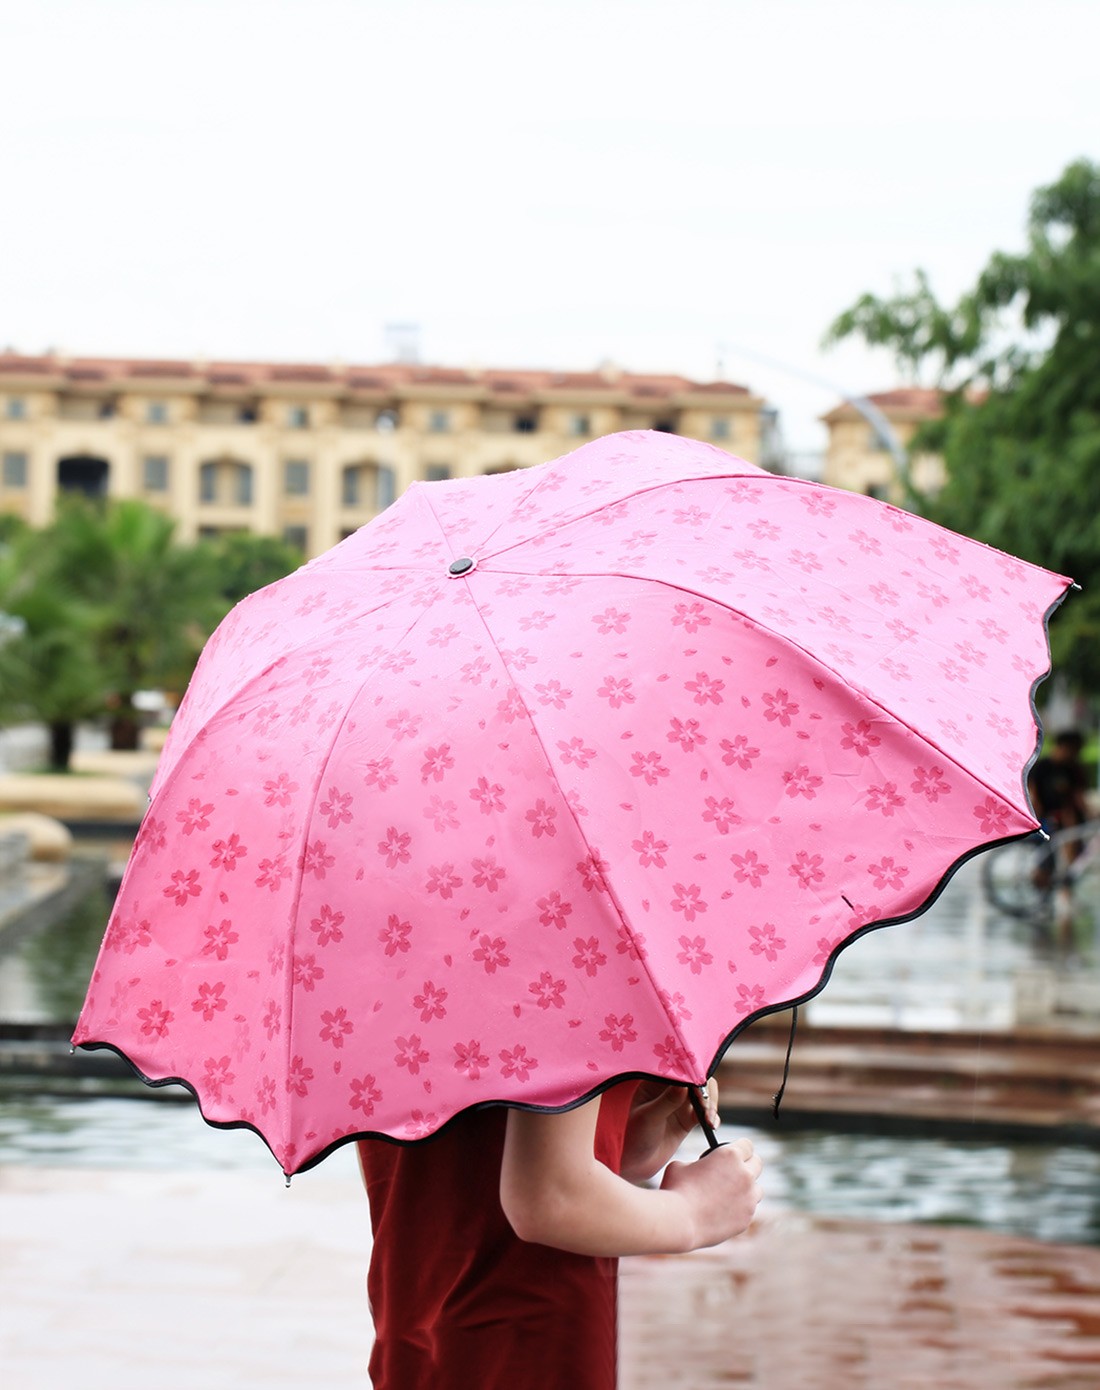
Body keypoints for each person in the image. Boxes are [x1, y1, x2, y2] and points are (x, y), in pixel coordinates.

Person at [357, 1078, 763, 1389]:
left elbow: (454, 1169)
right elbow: (547, 1199)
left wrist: (614, 1142)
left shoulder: (371, 978)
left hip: (416, 1339)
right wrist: (693, 1211)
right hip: (532, 1343)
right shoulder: (567, 969)